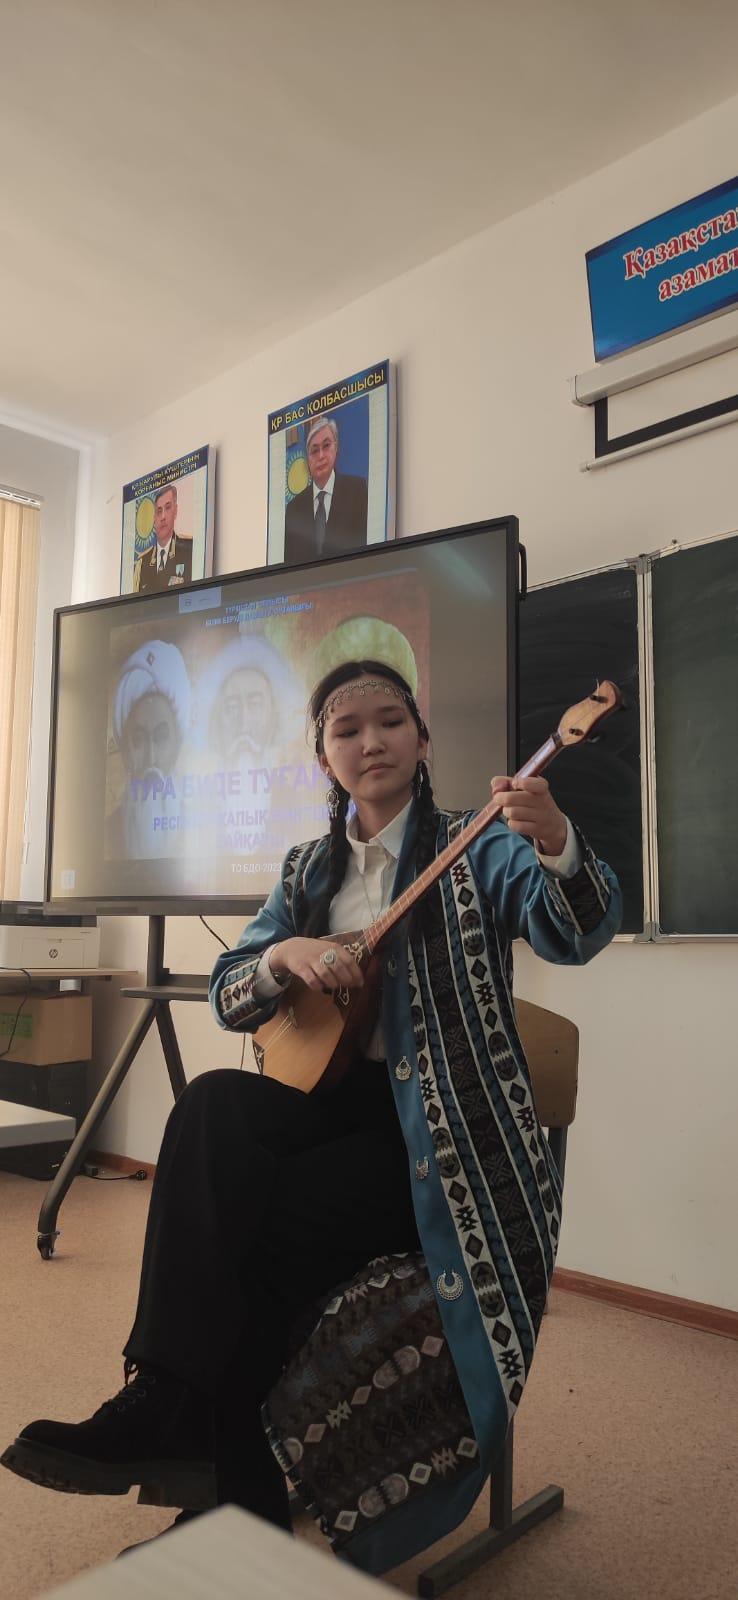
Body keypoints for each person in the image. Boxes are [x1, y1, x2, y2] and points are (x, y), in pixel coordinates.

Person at [1, 657, 621, 1571]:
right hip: (332, 1116)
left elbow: (577, 932)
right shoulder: (306, 870)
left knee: (245, 1237)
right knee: (212, 1103)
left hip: (442, 1146)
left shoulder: (479, 844)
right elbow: (229, 993)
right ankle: (169, 1403)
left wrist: (557, 839)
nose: (370, 742)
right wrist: (284, 956)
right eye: (346, 730)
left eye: (390, 722)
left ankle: (215, 1480)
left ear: (422, 740)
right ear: (323, 758)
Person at [105, 639, 191, 860]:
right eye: (139, 740)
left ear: (176, 744)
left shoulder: (201, 827)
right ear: (125, 751)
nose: (151, 758)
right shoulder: (107, 834)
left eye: (161, 738)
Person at [283, 417, 368, 564]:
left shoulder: (358, 490)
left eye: (326, 446)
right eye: (314, 450)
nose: (321, 456)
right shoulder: (293, 509)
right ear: (308, 459)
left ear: (336, 448)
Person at [133, 484, 193, 594]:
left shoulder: (190, 550)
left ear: (175, 511)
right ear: (154, 519)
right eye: (159, 511)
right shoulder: (142, 562)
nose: (163, 517)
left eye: (168, 508)